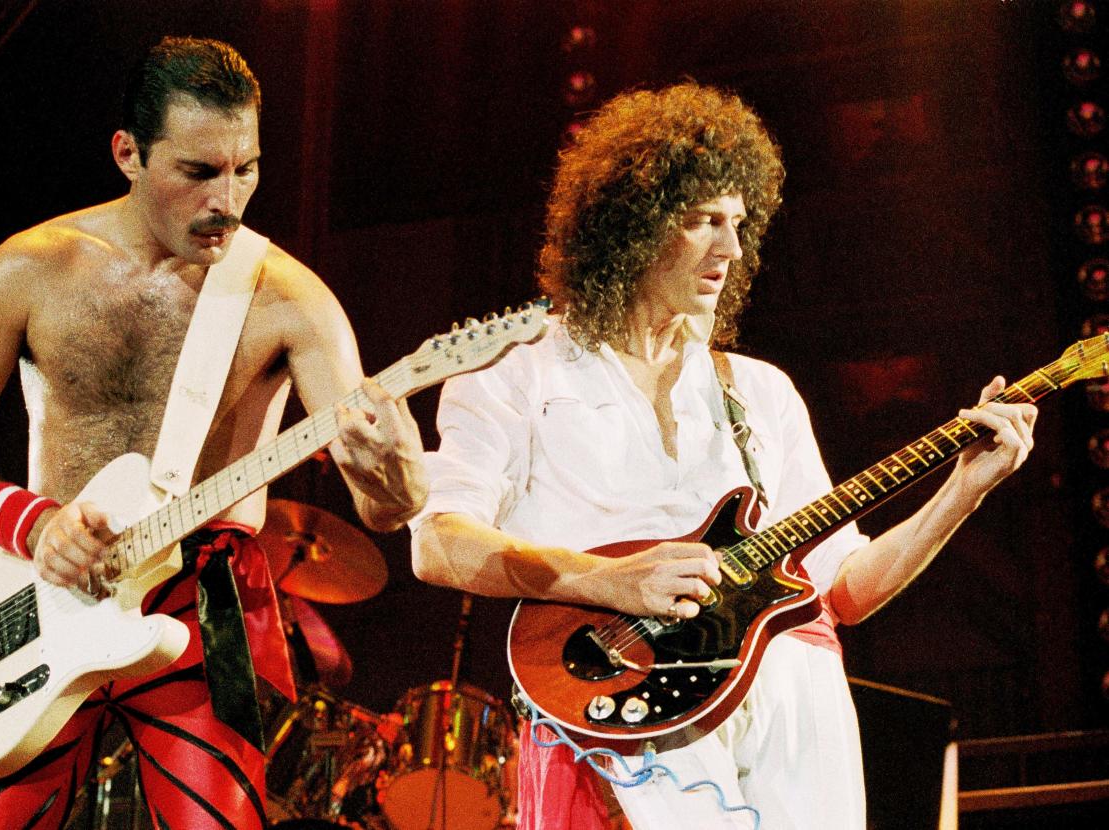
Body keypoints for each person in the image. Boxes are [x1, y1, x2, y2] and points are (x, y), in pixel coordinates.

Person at [409, 81, 1036, 829]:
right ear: (630, 225)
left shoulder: (761, 392)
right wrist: (611, 581)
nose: (731, 250)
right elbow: (437, 543)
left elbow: (845, 589)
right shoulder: (517, 375)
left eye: (739, 223)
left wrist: (962, 490)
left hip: (798, 697)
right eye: (705, 221)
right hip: (633, 701)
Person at [0, 36, 427, 830]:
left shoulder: (292, 299)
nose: (229, 199)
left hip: (214, 591)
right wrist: (35, 524)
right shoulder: (31, 267)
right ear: (128, 154)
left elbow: (387, 510)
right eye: (198, 172)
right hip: (48, 584)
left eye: (245, 168)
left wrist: (394, 474)